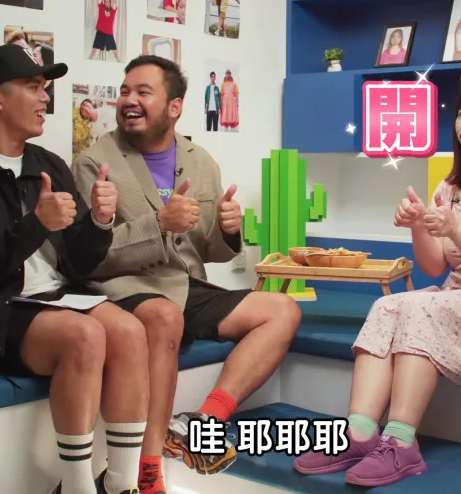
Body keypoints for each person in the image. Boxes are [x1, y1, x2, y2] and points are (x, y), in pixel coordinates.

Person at [293, 76, 461, 488]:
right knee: (387, 305)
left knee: (420, 308)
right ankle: (359, 434)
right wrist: (419, 223)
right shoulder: (452, 186)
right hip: (460, 297)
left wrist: (456, 230)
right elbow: (435, 266)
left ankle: (401, 443)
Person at [0, 43, 149, 494]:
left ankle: (122, 484)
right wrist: (36, 224)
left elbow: (81, 260)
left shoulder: (48, 164)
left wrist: (100, 220)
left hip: (52, 299)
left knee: (129, 331)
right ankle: (77, 488)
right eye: (32, 87)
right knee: (84, 335)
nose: (45, 98)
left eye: (44, 87)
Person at [72, 55, 301, 494]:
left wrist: (229, 231)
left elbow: (207, 249)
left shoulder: (201, 161)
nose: (129, 101)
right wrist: (160, 223)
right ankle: (148, 471)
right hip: (124, 285)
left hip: (185, 283)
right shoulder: (94, 163)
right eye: (125, 91)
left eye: (143, 92)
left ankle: (202, 421)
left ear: (174, 107)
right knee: (164, 317)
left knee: (282, 310)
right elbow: (92, 257)